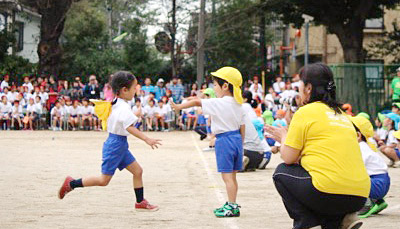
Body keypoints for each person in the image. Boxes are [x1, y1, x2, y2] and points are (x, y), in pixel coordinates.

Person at [266, 63, 370, 229]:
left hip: (328, 191)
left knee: (281, 173)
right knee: (323, 187)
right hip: (360, 196)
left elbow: (288, 157)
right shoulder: (342, 115)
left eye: (299, 83)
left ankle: (307, 223)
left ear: (308, 88)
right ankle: (341, 220)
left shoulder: (305, 112)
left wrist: (284, 136)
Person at [58, 71, 162, 211]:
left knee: (137, 171)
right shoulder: (123, 107)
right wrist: (147, 139)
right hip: (115, 145)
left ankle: (140, 202)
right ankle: (72, 183)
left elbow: (123, 120)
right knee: (103, 180)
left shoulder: (117, 103)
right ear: (124, 90)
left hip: (119, 144)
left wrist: (135, 115)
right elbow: (129, 127)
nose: (135, 91)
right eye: (134, 88)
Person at [171, 66, 245, 218]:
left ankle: (231, 207)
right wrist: (240, 144)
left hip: (225, 140)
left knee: (226, 177)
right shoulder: (239, 104)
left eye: (216, 85)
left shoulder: (219, 102)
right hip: (237, 139)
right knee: (233, 176)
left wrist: (179, 107)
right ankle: (233, 204)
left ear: (225, 86)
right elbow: (242, 127)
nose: (214, 88)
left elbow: (197, 102)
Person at [350, 116, 390, 219]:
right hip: (381, 182)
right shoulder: (366, 145)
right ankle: (378, 201)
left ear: (358, 135)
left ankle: (366, 205)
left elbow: (356, 168)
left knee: (351, 179)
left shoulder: (360, 148)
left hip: (376, 184)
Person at [241, 91, 271, 171]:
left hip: (247, 150)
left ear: (245, 99)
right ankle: (251, 165)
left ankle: (240, 161)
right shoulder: (252, 112)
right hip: (261, 153)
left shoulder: (241, 107)